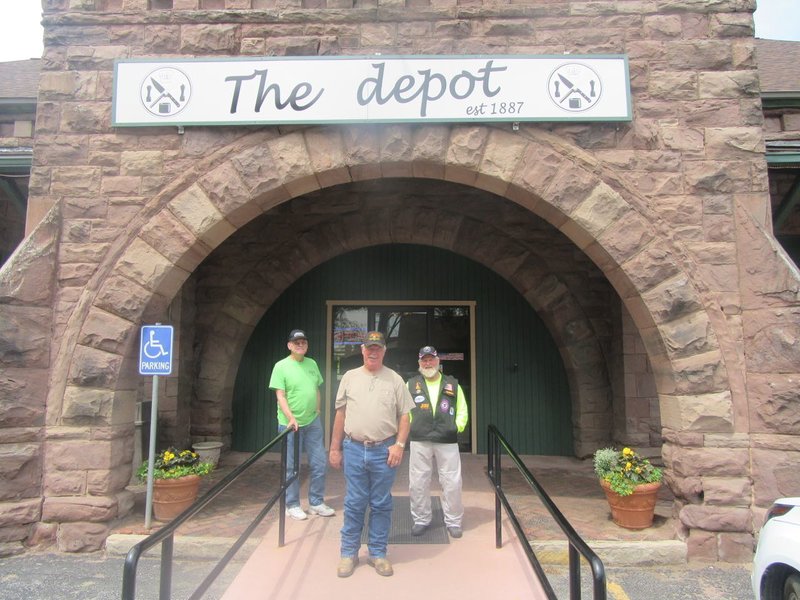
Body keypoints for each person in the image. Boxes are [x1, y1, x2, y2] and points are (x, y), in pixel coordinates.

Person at [328, 331, 415, 578]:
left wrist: (399, 445)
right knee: (354, 502)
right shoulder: (349, 377)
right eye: (369, 348)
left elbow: (405, 415)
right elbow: (340, 414)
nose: (373, 352)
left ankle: (378, 553)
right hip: (354, 449)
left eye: (377, 348)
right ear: (363, 350)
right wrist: (334, 448)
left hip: (384, 451)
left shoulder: (395, 379)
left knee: (381, 503)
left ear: (384, 351)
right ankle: (348, 553)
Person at [269, 329, 335, 521]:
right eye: (296, 342)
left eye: (303, 342)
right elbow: (280, 395)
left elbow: (316, 389)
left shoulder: (312, 363)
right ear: (289, 345)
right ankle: (292, 504)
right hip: (290, 424)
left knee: (319, 462)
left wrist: (318, 410)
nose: (300, 345)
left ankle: (316, 502)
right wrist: (290, 417)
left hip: (312, 421)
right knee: (291, 466)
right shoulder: (281, 366)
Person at [407, 345, 469, 539]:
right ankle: (421, 519)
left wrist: (456, 426)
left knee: (452, 482)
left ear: (438, 361)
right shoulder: (411, 384)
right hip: (420, 439)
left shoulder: (452, 384)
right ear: (419, 363)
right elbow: (404, 411)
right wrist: (412, 426)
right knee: (418, 482)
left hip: (447, 439)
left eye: (431, 359)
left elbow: (462, 410)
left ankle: (453, 521)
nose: (428, 363)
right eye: (424, 360)